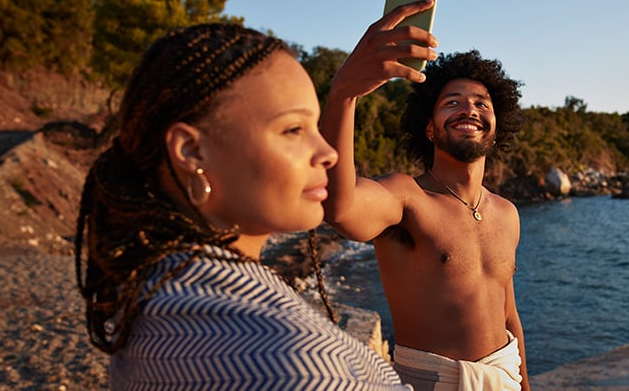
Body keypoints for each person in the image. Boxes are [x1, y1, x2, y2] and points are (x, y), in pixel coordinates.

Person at [74, 23, 411, 389]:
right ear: (191, 151)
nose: (328, 153)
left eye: (315, 127)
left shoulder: (153, 300)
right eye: (293, 130)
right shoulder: (301, 367)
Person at [322, 0, 530, 390]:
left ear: (496, 128)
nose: (468, 109)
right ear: (430, 129)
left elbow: (509, 315)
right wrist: (344, 94)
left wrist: (524, 384)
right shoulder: (406, 196)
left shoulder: (507, 213)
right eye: (452, 103)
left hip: (504, 378)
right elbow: (340, 207)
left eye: (480, 103)